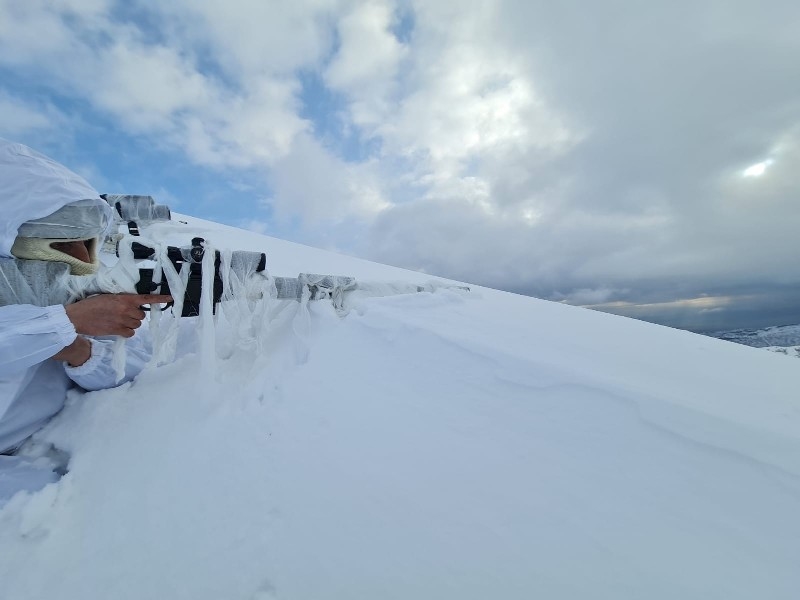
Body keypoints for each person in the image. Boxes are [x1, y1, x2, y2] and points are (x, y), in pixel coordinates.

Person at [0, 139, 171, 503]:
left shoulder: (71, 292)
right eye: (62, 245)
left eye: (87, 245)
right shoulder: (62, 310)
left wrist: (79, 349)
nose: (78, 264)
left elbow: (127, 371)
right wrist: (62, 323)